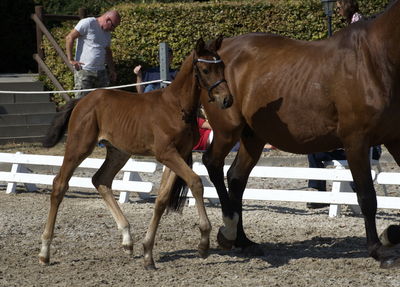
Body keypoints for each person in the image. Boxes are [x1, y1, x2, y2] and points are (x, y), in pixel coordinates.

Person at [307, 0, 368, 209]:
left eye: (340, 5)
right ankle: (318, 192)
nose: (337, 8)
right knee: (313, 150)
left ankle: (353, 188)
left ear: (349, 6)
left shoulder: (359, 26)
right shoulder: (350, 26)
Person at [66, 10, 121, 98]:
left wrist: (112, 70)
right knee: (81, 101)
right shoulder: (88, 23)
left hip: (101, 72)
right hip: (85, 71)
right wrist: (71, 59)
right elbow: (70, 37)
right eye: (113, 26)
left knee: (103, 101)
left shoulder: (107, 33)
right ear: (107, 20)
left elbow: (108, 51)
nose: (113, 29)